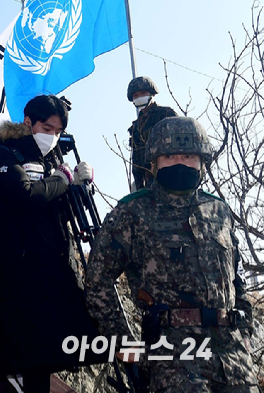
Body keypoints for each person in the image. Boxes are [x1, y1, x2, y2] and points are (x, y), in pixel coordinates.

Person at [85, 116, 258, 392]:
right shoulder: (133, 211)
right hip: (174, 359)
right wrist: (123, 342)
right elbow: (97, 280)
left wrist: (245, 328)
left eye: (188, 155)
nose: (179, 163)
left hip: (234, 359)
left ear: (202, 161)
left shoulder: (219, 211)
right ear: (154, 163)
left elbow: (235, 277)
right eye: (169, 156)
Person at [0, 95, 99, 392]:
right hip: (17, 269)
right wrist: (62, 180)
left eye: (58, 131)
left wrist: (80, 188)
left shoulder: (53, 159)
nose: (52, 137)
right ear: (28, 122)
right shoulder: (3, 152)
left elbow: (64, 210)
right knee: (24, 352)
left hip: (54, 266)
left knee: (48, 355)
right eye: (46, 128)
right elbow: (24, 194)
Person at [127, 76, 177, 191]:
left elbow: (179, 145)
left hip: (168, 176)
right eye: (136, 95)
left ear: (152, 94)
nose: (139, 97)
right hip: (148, 183)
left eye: (143, 93)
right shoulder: (135, 127)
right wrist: (139, 188)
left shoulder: (166, 114)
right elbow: (136, 161)